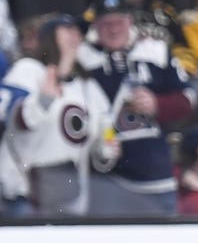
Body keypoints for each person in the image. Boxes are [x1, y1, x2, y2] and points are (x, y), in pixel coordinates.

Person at [77, 0, 194, 216]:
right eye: (106, 24)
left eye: (118, 22)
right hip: (106, 180)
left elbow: (188, 101)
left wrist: (157, 104)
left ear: (130, 21)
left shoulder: (155, 51)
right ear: (95, 26)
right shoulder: (82, 58)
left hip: (156, 178)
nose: (113, 29)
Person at [0, 13, 115, 216]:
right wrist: (45, 98)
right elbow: (17, 119)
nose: (75, 34)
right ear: (49, 36)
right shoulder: (27, 70)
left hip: (69, 196)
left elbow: (106, 127)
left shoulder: (87, 86)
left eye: (77, 31)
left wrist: (108, 147)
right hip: (21, 193)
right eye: (67, 29)